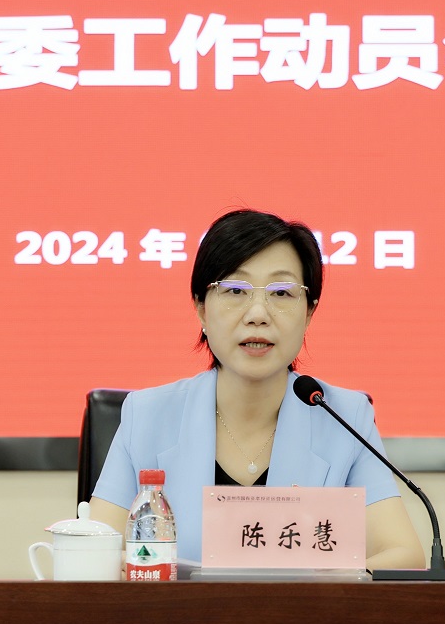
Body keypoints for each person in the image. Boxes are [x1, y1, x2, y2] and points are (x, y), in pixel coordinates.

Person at [89, 209, 425, 570]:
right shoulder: (147, 415)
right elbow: (94, 554)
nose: (258, 314)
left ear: (309, 313)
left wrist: (334, 580)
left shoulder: (346, 417)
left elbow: (404, 556)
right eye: (235, 290)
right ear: (201, 308)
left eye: (282, 293)